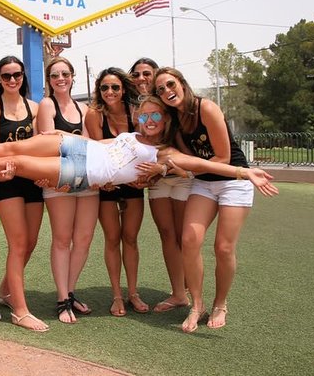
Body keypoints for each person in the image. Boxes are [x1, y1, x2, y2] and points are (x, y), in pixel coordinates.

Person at [0, 96, 278, 205]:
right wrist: (61, 132)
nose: (149, 120)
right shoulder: (131, 135)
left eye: (156, 116)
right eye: (145, 114)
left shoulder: (165, 154)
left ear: (165, 121)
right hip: (76, 145)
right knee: (8, 146)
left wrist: (245, 172)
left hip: (83, 173)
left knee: (14, 162)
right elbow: (102, 144)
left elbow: (201, 162)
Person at [154, 66, 256, 332]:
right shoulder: (175, 121)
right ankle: (197, 306)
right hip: (204, 184)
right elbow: (187, 159)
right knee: (189, 240)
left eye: (170, 84)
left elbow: (223, 157)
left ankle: (220, 304)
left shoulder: (206, 108)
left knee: (223, 247)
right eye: (161, 90)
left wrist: (188, 170)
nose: (167, 91)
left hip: (234, 180)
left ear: (182, 83)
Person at [0, 56, 48, 332]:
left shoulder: (34, 107)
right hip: (5, 181)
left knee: (30, 242)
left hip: (31, 179)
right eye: (6, 76)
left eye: (17, 75)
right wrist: (1, 172)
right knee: (18, 243)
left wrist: (41, 172)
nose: (12, 80)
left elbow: (40, 146)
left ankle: (5, 290)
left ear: (23, 76)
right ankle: (20, 312)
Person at [36, 57, 98, 324]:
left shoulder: (84, 108)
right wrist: (80, 140)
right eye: (54, 75)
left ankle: (70, 293)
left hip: (86, 180)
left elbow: (89, 145)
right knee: (62, 239)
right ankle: (62, 300)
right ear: (49, 81)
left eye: (65, 74)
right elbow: (50, 142)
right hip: (59, 179)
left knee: (83, 239)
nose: (60, 79)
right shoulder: (46, 105)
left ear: (73, 77)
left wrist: (71, 138)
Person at [129, 57, 193, 313]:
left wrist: (167, 167)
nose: (141, 78)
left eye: (147, 73)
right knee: (167, 235)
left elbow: (189, 159)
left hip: (181, 178)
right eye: (136, 74)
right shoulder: (137, 107)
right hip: (158, 182)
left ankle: (192, 290)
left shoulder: (171, 105)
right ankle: (179, 292)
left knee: (184, 236)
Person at [85, 67, 148, 316]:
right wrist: (106, 181)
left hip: (133, 184)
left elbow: (146, 144)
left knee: (130, 239)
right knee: (112, 239)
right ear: (99, 90)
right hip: (107, 186)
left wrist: (143, 178)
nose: (109, 92)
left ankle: (133, 293)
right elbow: (96, 149)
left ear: (123, 90)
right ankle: (117, 296)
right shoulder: (95, 114)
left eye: (115, 87)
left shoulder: (137, 113)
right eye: (104, 88)